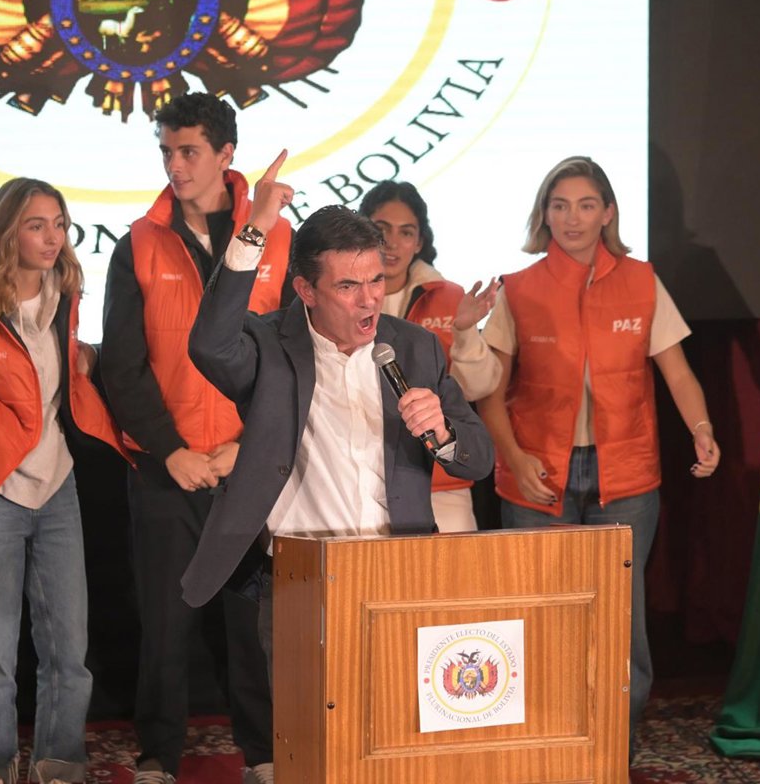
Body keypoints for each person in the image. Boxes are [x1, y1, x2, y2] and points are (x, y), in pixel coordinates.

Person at [178, 156, 494, 668]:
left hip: (403, 570)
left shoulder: (415, 348)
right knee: (309, 719)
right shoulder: (269, 347)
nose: (369, 301)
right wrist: (257, 227)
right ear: (306, 290)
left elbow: (478, 459)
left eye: (376, 281)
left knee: (401, 712)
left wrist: (443, 432)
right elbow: (210, 343)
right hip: (303, 581)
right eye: (348, 287)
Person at [453, 156, 720, 734]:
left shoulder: (642, 281)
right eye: (560, 205)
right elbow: (490, 393)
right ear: (544, 215)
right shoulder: (518, 288)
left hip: (625, 477)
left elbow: (677, 373)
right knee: (537, 615)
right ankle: (541, 744)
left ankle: (612, 747)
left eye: (586, 205)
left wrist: (701, 428)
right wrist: (514, 458)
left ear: (608, 214)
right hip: (536, 474)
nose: (572, 218)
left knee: (620, 621)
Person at [101, 93, 283, 784]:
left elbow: (292, 359)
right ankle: (158, 755)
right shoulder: (138, 243)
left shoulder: (279, 237)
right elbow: (122, 364)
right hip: (166, 466)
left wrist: (249, 444)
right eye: (167, 152)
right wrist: (170, 450)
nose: (175, 166)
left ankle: (263, 753)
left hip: (249, 464)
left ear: (225, 154)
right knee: (165, 623)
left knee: (253, 624)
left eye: (189, 152)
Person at [0, 178, 130, 784]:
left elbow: (60, 365)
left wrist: (88, 356)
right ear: (6, 229)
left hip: (56, 482)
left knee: (69, 648)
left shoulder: (64, 292)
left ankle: (58, 765)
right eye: (37, 224)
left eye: (59, 224)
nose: (52, 237)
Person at [359, 181, 499, 533]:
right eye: (381, 229)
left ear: (419, 242)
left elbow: (477, 388)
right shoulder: (341, 300)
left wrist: (465, 331)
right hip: (362, 480)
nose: (392, 243)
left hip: (442, 482)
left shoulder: (449, 297)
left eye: (406, 233)